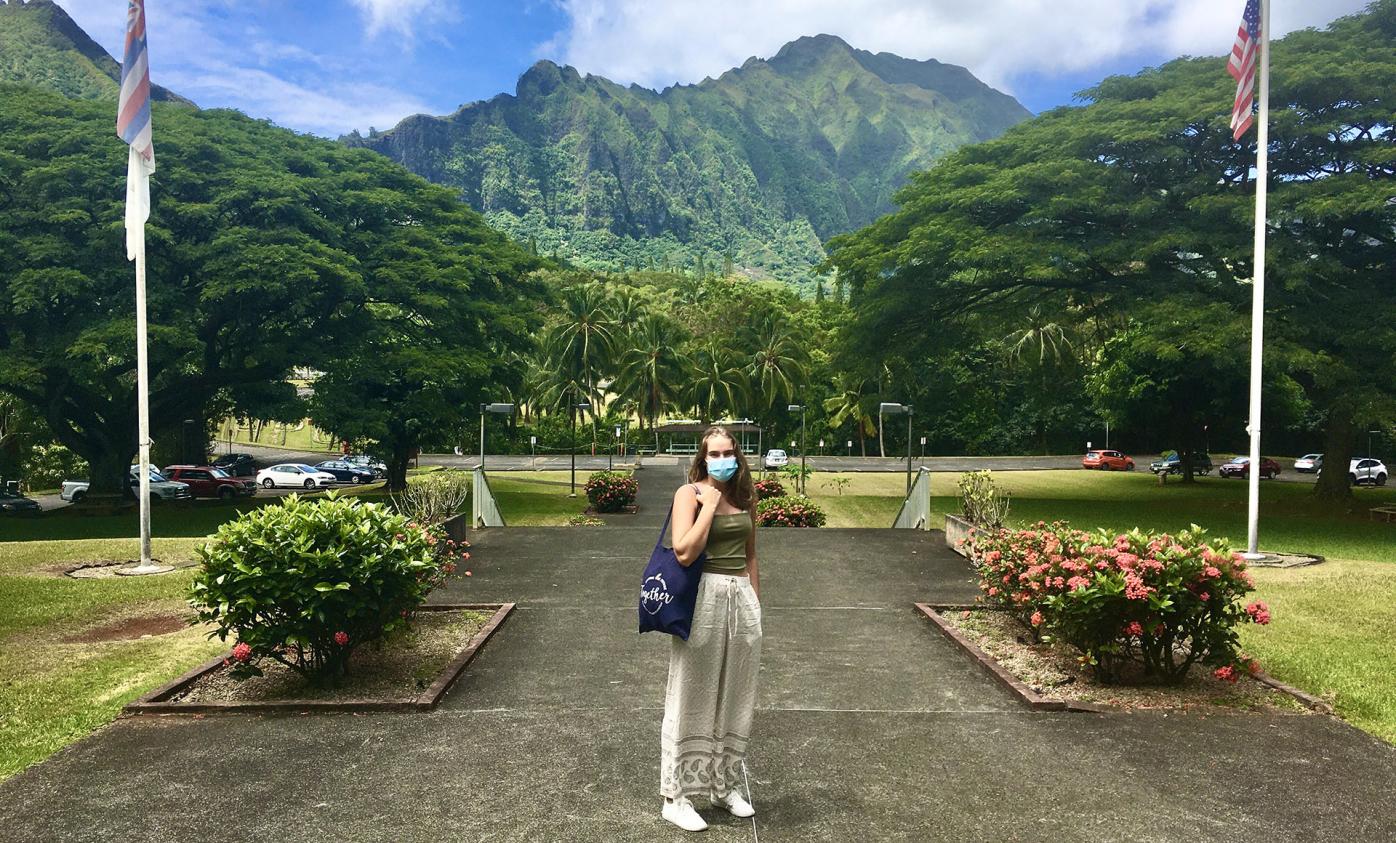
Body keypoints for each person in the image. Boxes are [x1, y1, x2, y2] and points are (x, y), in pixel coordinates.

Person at [659, 425, 762, 832]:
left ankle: (724, 785)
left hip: (741, 599)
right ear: (703, 458)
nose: (723, 459)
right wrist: (709, 503)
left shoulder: (745, 497)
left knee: (736, 693)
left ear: (738, 455)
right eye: (714, 453)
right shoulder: (690, 494)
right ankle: (675, 795)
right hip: (704, 598)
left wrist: (756, 604)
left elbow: (752, 555)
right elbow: (684, 552)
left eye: (728, 452)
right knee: (692, 691)